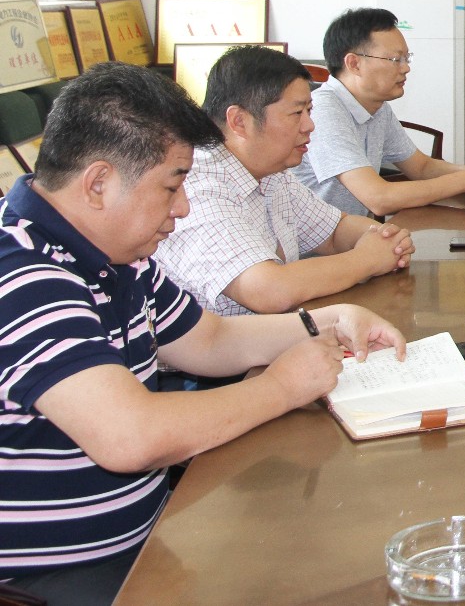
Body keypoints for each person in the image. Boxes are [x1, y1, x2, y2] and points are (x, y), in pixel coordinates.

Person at [0, 62, 405, 602]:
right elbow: (130, 437)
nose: (183, 207)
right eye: (172, 186)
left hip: (143, 533)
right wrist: (281, 387)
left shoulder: (116, 253)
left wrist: (330, 320)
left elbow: (209, 340)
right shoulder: (23, 273)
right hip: (53, 573)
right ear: (98, 183)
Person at [155, 46, 413, 317]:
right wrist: (367, 259)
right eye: (297, 113)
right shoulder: (197, 187)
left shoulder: (272, 173)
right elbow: (268, 290)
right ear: (239, 121)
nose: (310, 125)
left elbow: (335, 231)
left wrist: (386, 239)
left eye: (309, 111)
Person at [293, 7, 465, 215]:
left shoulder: (378, 108)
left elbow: (421, 167)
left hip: (351, 232)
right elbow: (379, 198)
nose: (406, 68)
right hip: (314, 241)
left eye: (407, 58)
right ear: (354, 64)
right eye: (395, 59)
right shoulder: (323, 110)